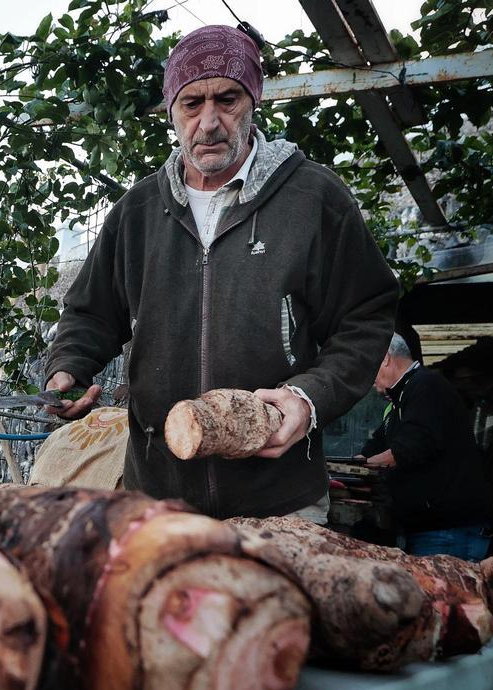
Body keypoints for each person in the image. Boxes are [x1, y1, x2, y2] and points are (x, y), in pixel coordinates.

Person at [43, 24, 398, 521]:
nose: (208, 123)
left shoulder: (313, 198)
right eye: (192, 104)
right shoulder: (137, 211)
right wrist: (67, 368)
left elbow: (364, 317)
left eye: (227, 100)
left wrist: (308, 399)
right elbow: (91, 313)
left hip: (280, 500)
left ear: (254, 100)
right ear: (172, 111)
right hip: (159, 499)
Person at [359, 334, 492, 560]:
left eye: (368, 365)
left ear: (385, 358)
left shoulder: (427, 386)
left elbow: (407, 449)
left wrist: (359, 468)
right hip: (428, 530)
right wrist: (353, 464)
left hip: (448, 531)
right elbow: (375, 447)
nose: (366, 376)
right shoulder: (399, 400)